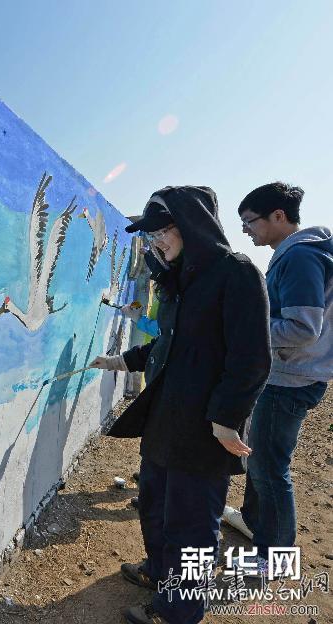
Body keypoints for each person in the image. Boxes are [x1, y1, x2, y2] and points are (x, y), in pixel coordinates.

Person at [89, 186, 271, 624]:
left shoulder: (236, 274)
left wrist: (227, 420)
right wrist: (122, 360)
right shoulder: (174, 280)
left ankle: (178, 611)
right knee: (153, 503)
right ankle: (158, 572)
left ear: (193, 225)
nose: (156, 241)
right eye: (151, 234)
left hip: (205, 430)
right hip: (164, 420)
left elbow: (251, 358)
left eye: (164, 230)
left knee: (191, 524)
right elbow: (168, 346)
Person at [225, 182, 332, 568]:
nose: (247, 230)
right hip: (288, 373)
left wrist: (244, 331)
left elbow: (303, 329)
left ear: (279, 217)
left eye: (249, 222)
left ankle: (273, 555)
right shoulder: (296, 254)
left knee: (270, 468)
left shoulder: (301, 258)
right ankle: (254, 521)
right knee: (260, 458)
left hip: (291, 379)